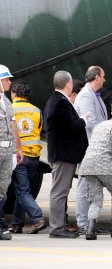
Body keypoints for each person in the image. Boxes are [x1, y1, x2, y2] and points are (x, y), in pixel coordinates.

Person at [43, 70, 89, 238]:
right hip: (63, 155)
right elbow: (69, 128)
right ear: (68, 85)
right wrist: (83, 120)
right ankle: (56, 228)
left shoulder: (56, 101)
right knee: (59, 192)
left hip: (62, 154)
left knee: (61, 191)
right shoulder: (60, 103)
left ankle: (59, 225)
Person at [78, 101, 112, 240]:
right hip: (105, 165)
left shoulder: (99, 125)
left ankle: (90, 229)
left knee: (96, 200)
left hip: (88, 164)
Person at [7, 80, 48, 234]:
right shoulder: (37, 111)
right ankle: (17, 224)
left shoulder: (10, 109)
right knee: (23, 190)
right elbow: (40, 130)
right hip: (35, 157)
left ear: (14, 93)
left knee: (22, 191)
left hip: (19, 157)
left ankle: (37, 218)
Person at [74, 66, 109, 234]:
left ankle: (90, 222)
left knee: (92, 185)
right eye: (103, 76)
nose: (104, 79)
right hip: (90, 148)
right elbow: (91, 124)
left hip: (95, 148)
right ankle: (82, 223)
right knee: (84, 185)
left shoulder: (93, 95)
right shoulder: (86, 95)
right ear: (96, 77)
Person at [0, 65, 24, 240]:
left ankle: (0, 224)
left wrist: (19, 148)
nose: (10, 82)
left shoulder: (7, 102)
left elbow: (14, 126)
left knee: (3, 188)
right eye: (7, 79)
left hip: (7, 152)